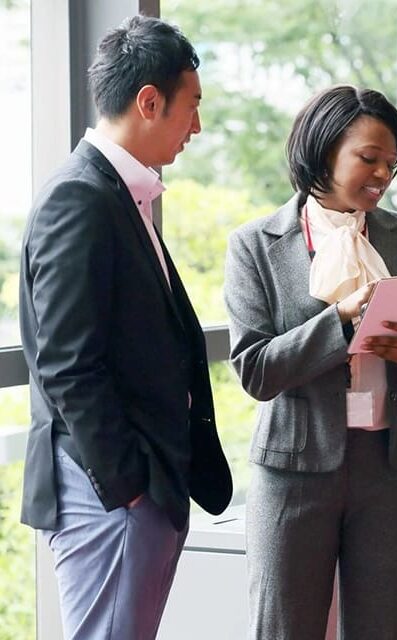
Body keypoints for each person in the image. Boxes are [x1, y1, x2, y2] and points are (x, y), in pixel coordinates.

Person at [18, 15, 232, 640]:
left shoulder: (120, 195)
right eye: (191, 107)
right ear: (148, 101)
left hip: (137, 489)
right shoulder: (78, 198)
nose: (197, 126)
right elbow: (66, 364)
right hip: (106, 492)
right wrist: (129, 485)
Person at [224, 85, 397, 640]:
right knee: (283, 629)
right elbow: (255, 370)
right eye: (368, 158)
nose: (382, 175)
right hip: (294, 473)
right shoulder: (255, 244)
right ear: (326, 150)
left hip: (394, 470)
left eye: (391, 164)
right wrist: (341, 322)